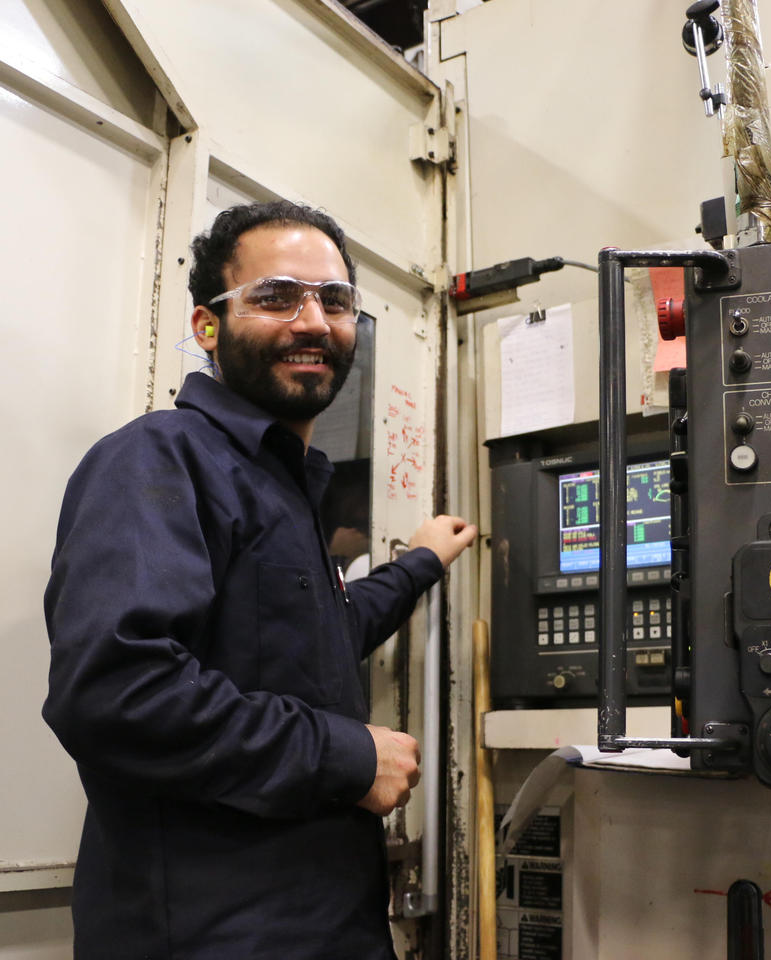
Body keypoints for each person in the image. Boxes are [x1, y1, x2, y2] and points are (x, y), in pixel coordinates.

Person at [42, 200, 477, 960]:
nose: (313, 321)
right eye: (277, 296)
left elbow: (323, 634)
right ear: (208, 326)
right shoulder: (161, 458)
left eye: (334, 302)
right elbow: (117, 691)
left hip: (329, 929)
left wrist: (420, 562)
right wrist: (346, 757)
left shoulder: (285, 486)